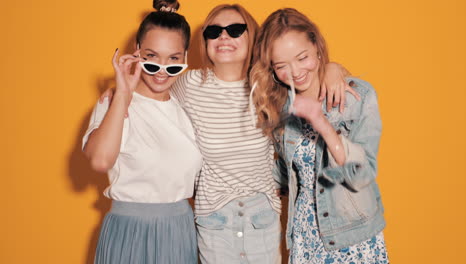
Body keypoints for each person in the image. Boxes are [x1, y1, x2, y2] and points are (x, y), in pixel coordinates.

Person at [101, 3, 354, 263]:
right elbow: (153, 87)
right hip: (214, 218)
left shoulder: (268, 85)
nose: (224, 36)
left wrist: (334, 69)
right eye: (214, 31)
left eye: (235, 30)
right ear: (205, 41)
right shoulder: (189, 84)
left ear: (252, 37)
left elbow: (309, 79)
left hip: (262, 217)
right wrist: (120, 93)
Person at [250, 8, 389, 264]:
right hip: (305, 235)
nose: (294, 72)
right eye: (281, 65)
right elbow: (284, 175)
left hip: (351, 237)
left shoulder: (357, 98)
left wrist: (321, 123)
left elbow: (362, 174)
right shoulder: (282, 107)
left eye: (302, 57)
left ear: (316, 46)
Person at [82, 1, 202, 263]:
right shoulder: (114, 102)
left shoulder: (185, 107)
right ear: (137, 52)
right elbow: (100, 161)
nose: (161, 70)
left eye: (173, 59)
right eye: (151, 57)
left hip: (179, 232)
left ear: (185, 57)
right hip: (129, 231)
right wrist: (124, 93)